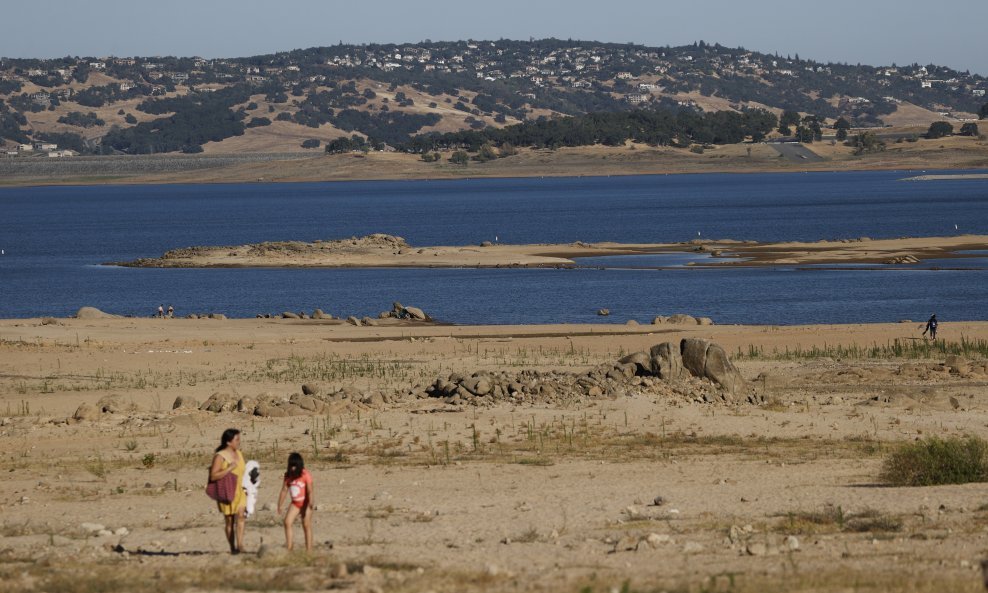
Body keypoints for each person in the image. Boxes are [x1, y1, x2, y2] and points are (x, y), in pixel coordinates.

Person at [210, 428, 246, 554]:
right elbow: (213, 476)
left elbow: (243, 471)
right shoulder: (220, 457)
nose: (239, 442)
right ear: (228, 442)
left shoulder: (239, 454)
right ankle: (233, 547)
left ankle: (240, 545)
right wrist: (229, 469)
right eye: (237, 440)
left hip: (240, 491)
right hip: (227, 491)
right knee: (229, 520)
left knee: (241, 516)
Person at [277, 452, 314, 552]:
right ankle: (290, 547)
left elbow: (310, 490)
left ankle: (309, 549)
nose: (293, 468)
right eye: (291, 466)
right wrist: (279, 504)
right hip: (295, 504)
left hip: (305, 502)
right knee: (287, 522)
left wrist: (310, 502)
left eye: (295, 466)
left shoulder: (305, 474)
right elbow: (284, 490)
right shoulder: (288, 476)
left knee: (306, 524)